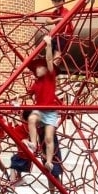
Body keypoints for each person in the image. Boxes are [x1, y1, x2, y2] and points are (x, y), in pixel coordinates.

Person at [25, 34, 59, 174]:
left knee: (49, 138)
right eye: (36, 68)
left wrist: (49, 46)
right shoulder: (36, 83)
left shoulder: (50, 77)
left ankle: (49, 162)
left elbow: (49, 60)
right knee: (32, 119)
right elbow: (27, 94)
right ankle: (33, 143)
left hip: (50, 111)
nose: (37, 70)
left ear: (46, 69)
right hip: (40, 111)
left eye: (40, 67)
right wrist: (15, 101)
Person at [46, 0, 73, 66]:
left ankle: (54, 67)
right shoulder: (54, 12)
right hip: (58, 35)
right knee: (48, 46)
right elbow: (47, 20)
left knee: (58, 52)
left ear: (63, 2)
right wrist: (55, 20)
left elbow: (62, 19)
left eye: (58, 1)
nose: (56, 3)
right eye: (55, 1)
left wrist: (54, 20)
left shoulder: (65, 11)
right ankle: (49, 64)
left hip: (65, 35)